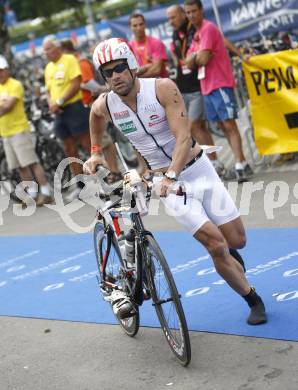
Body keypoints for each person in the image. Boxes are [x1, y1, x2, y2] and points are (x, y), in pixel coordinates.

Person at [83, 38, 267, 325]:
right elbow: (94, 116)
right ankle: (253, 299)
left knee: (236, 241)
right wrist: (95, 153)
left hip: (196, 169)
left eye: (119, 68)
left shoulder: (162, 88)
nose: (115, 76)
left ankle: (229, 254)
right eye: (107, 72)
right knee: (215, 246)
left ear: (131, 65)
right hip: (164, 182)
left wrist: (171, 174)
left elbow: (183, 137)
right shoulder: (107, 103)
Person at [184, 0, 253, 183]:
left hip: (220, 83)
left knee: (229, 124)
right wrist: (196, 57)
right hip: (206, 86)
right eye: (188, 12)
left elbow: (203, 59)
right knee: (222, 127)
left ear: (201, 10)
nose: (191, 15)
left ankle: (239, 163)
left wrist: (196, 57)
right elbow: (188, 61)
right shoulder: (198, 34)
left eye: (193, 11)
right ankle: (242, 162)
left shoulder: (208, 28)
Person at [166, 4, 224, 176]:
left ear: (183, 15)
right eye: (168, 19)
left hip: (199, 86)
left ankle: (213, 162)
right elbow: (180, 60)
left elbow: (202, 55)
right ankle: (215, 162)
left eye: (174, 17)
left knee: (192, 127)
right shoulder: (175, 34)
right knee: (198, 128)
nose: (171, 21)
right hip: (182, 89)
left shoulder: (196, 30)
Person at [60, 39, 122, 183]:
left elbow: (87, 82)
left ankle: (115, 171)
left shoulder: (80, 62)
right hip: (87, 105)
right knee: (101, 140)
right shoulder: (75, 63)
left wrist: (101, 89)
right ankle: (112, 171)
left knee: (104, 139)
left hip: (92, 104)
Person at [0, 55, 53, 206]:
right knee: (20, 166)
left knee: (32, 162)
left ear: (6, 70)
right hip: (6, 133)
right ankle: (32, 193)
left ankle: (46, 192)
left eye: (1, 71)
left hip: (19, 131)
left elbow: (8, 106)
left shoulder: (14, 85)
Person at [42, 36, 91, 200]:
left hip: (73, 106)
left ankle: (101, 179)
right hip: (59, 112)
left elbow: (76, 82)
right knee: (69, 148)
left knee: (87, 143)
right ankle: (80, 185)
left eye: (48, 48)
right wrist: (51, 104)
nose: (46, 52)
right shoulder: (48, 67)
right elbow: (48, 91)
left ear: (56, 47)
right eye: (44, 49)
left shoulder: (69, 59)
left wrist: (60, 101)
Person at [129, 13, 168, 78]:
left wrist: (136, 78)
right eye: (135, 25)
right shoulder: (128, 47)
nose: (139, 28)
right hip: (140, 86)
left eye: (141, 24)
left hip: (158, 83)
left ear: (145, 24)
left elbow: (156, 70)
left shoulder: (156, 43)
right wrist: (147, 66)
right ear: (130, 27)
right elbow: (129, 72)